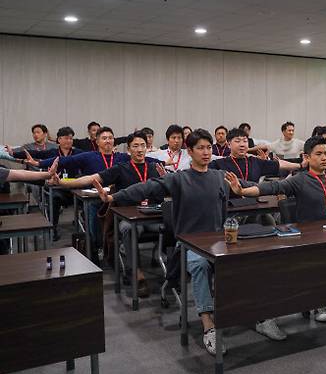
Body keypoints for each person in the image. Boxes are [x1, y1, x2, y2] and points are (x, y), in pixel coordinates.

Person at [92, 129, 283, 355]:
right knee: (201, 265)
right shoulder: (179, 179)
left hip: (219, 241)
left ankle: (260, 316)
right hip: (190, 244)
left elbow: (248, 184)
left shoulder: (219, 177)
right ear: (189, 151)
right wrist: (113, 197)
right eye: (200, 148)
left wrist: (279, 189)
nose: (205, 152)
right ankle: (208, 325)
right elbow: (146, 187)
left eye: (208, 148)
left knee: (248, 264)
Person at [225, 135, 326, 323]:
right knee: (319, 262)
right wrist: (242, 191)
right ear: (307, 157)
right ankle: (318, 302)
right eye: (319, 154)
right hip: (309, 237)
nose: (324, 158)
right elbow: (270, 187)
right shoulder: (299, 180)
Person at [51, 132, 165, 296]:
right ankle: (137, 273)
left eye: (143, 146)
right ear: (128, 149)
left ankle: (175, 272)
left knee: (173, 224)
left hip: (152, 217)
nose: (140, 150)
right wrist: (62, 182)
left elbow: (173, 184)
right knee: (128, 229)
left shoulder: (155, 168)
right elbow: (91, 179)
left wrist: (167, 177)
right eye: (135, 146)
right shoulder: (121, 168)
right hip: (129, 219)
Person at [12, 126, 84, 241]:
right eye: (66, 138)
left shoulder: (78, 153)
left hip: (74, 188)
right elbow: (35, 153)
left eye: (71, 138)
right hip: (58, 189)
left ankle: (85, 229)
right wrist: (13, 153)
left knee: (86, 200)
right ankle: (53, 228)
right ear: (59, 140)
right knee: (54, 199)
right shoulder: (53, 152)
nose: (69, 141)